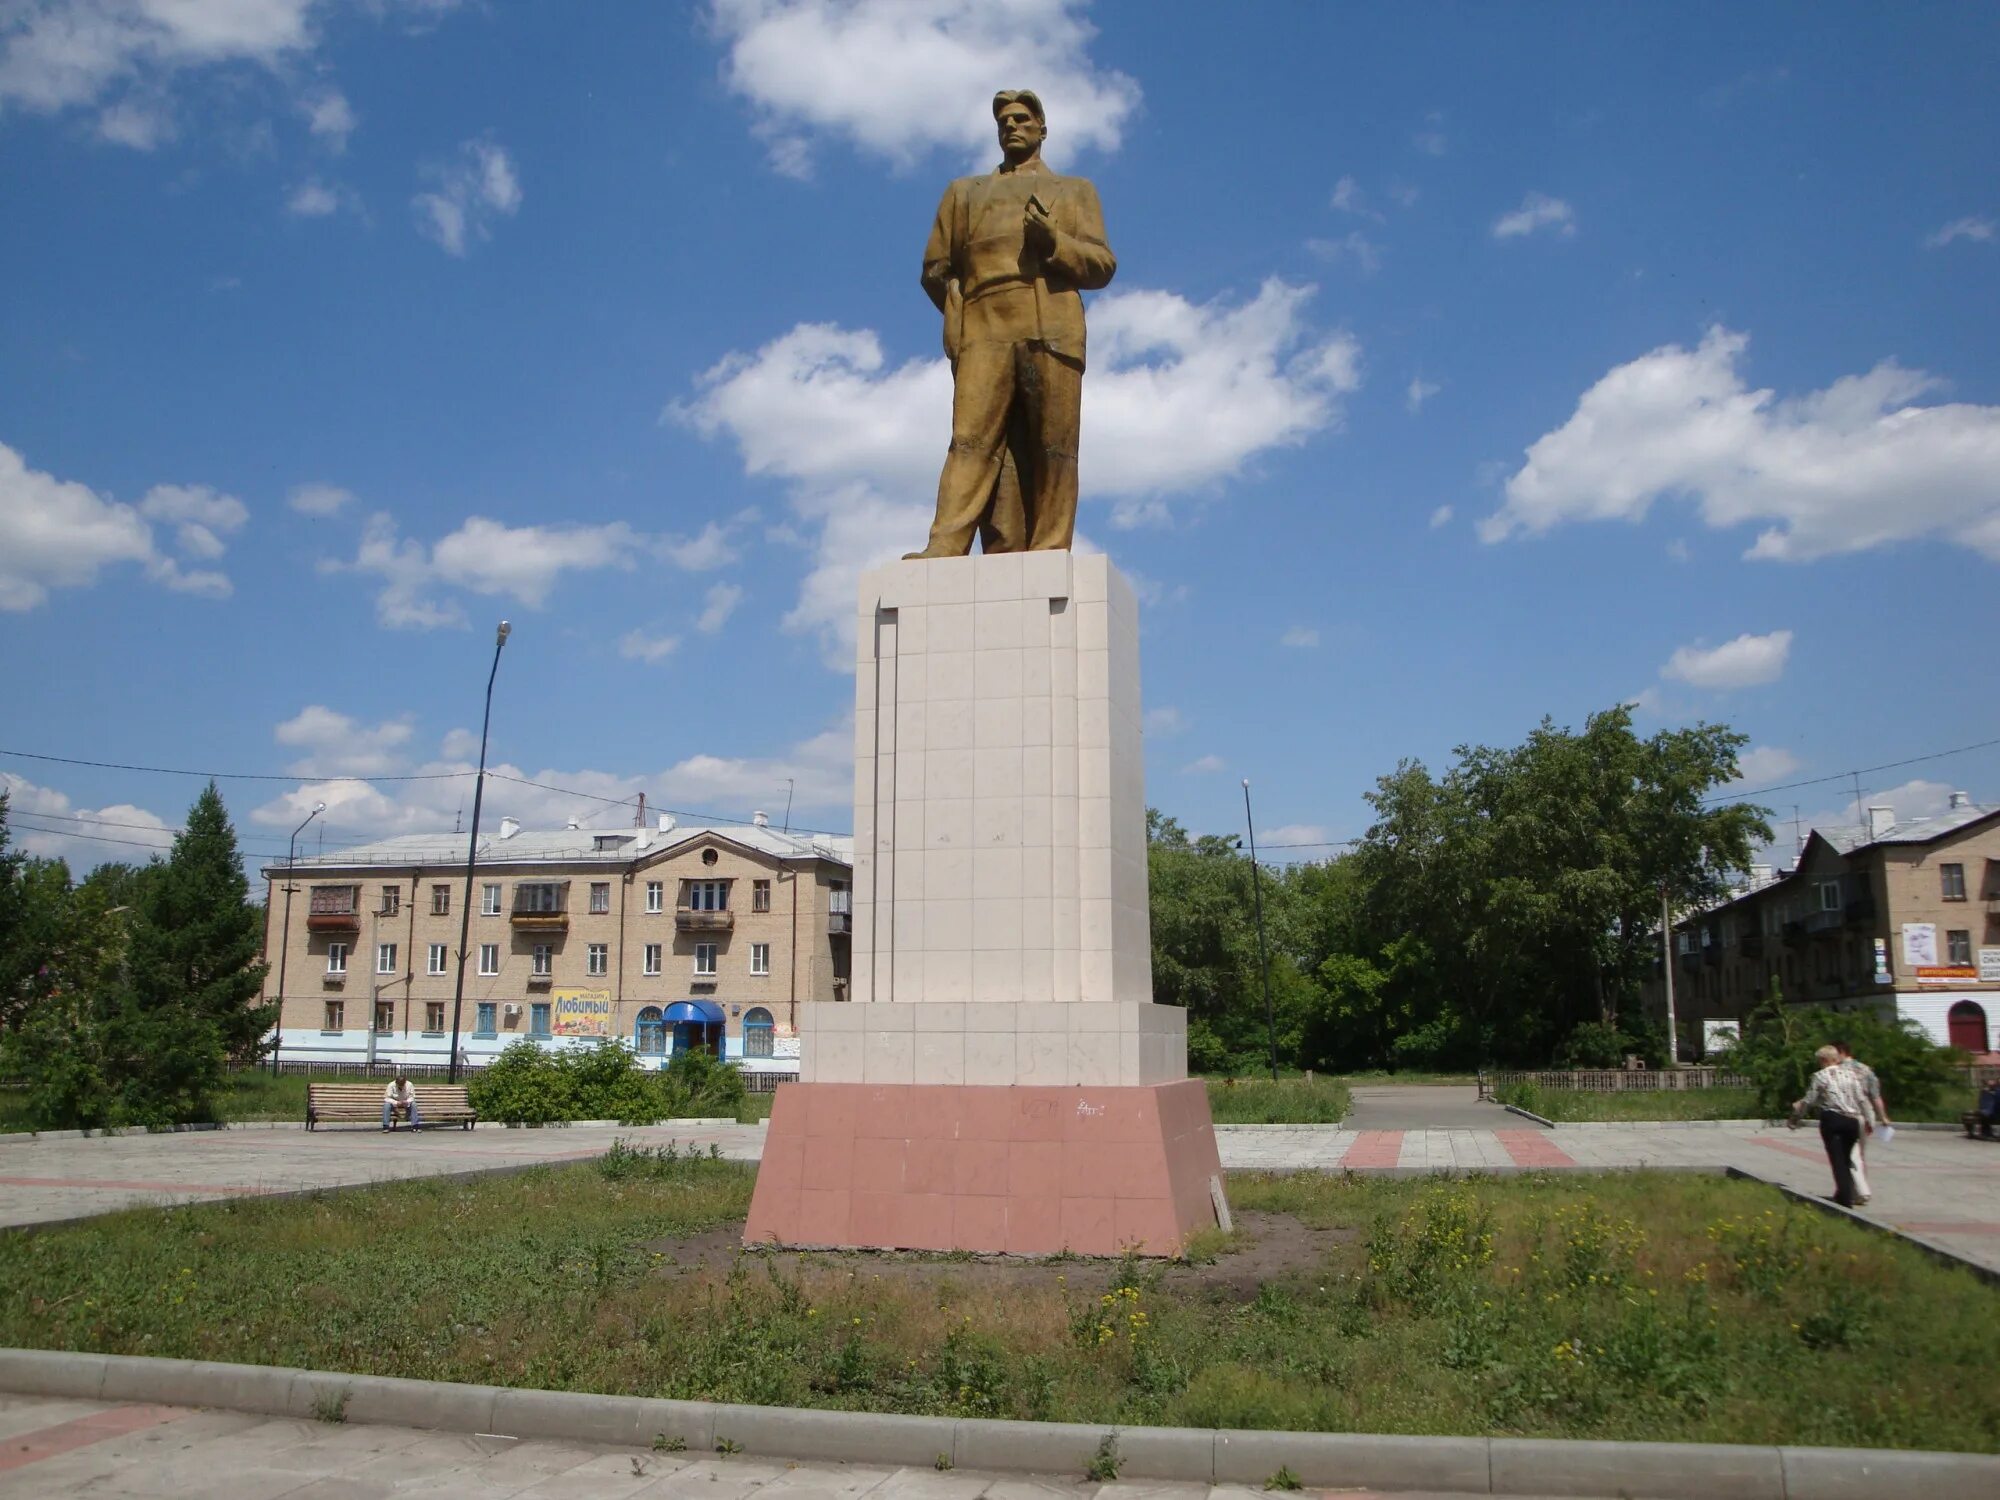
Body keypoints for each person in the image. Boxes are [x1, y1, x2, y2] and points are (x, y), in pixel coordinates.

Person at [906, 89, 1117, 559]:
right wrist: (961, 321)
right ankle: (946, 545)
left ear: (1042, 129)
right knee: (971, 442)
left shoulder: (1076, 191)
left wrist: (1054, 243)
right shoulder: (964, 193)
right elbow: (936, 269)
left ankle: (1049, 547)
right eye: (1004, 120)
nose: (1012, 126)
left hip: (1052, 320)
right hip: (984, 323)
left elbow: (1101, 265)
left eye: (1022, 119)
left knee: (1053, 448)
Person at [1789, 1045, 1871, 1208]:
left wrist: (1795, 1118)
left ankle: (1845, 1201)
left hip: (1833, 1120)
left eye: (1819, 1061)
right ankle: (1842, 1193)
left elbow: (1809, 1100)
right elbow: (1862, 1099)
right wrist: (1868, 1119)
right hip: (1852, 1121)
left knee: (1837, 1160)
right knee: (1847, 1159)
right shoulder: (1852, 1075)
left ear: (1824, 1060)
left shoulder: (1820, 1076)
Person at [1834, 1039, 1890, 1204]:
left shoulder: (1835, 1071)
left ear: (1842, 1052)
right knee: (1859, 1154)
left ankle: (1859, 1191)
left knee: (1850, 1154)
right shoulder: (1866, 1070)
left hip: (1846, 1115)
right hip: (1866, 1116)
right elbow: (1876, 1096)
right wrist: (1883, 1116)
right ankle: (1854, 1190)